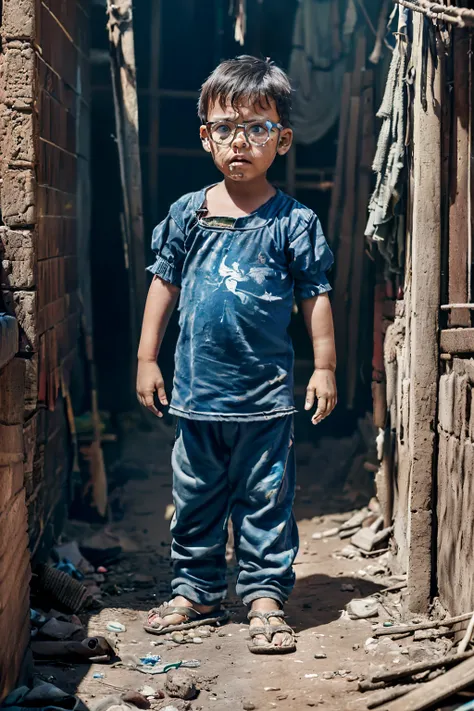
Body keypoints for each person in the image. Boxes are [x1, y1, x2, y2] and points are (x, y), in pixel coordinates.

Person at [136, 55, 337, 654]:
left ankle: (265, 598)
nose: (240, 141)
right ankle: (195, 591)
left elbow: (315, 298)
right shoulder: (188, 216)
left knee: (265, 502)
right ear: (205, 138)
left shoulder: (293, 222)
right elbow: (163, 286)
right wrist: (148, 358)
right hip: (197, 397)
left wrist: (323, 366)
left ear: (282, 139)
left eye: (256, 127)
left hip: (266, 402)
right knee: (195, 498)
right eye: (225, 127)